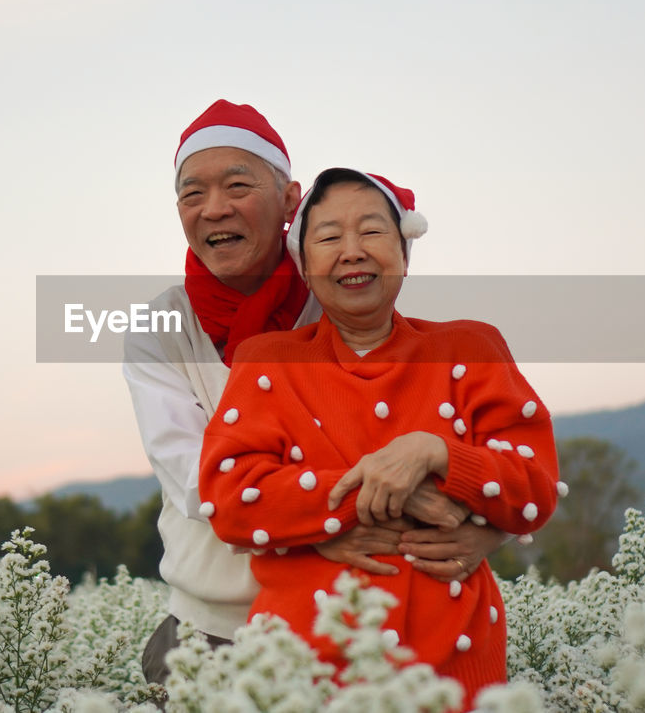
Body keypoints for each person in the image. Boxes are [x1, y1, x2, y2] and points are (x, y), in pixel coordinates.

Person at [122, 101, 507, 685]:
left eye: (237, 185)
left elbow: (419, 424)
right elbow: (202, 478)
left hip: (352, 622)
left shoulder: (338, 293)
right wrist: (342, 518)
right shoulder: (161, 326)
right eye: (192, 193)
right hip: (214, 630)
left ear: (290, 198)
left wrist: (489, 523)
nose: (215, 207)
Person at [197, 168, 562, 708]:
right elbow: (229, 498)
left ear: (405, 254)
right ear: (305, 264)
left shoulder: (469, 345)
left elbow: (536, 485)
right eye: (327, 238)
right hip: (304, 663)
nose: (352, 252)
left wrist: (432, 451)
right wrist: (382, 492)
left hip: (456, 665)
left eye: (371, 232)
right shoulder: (269, 359)